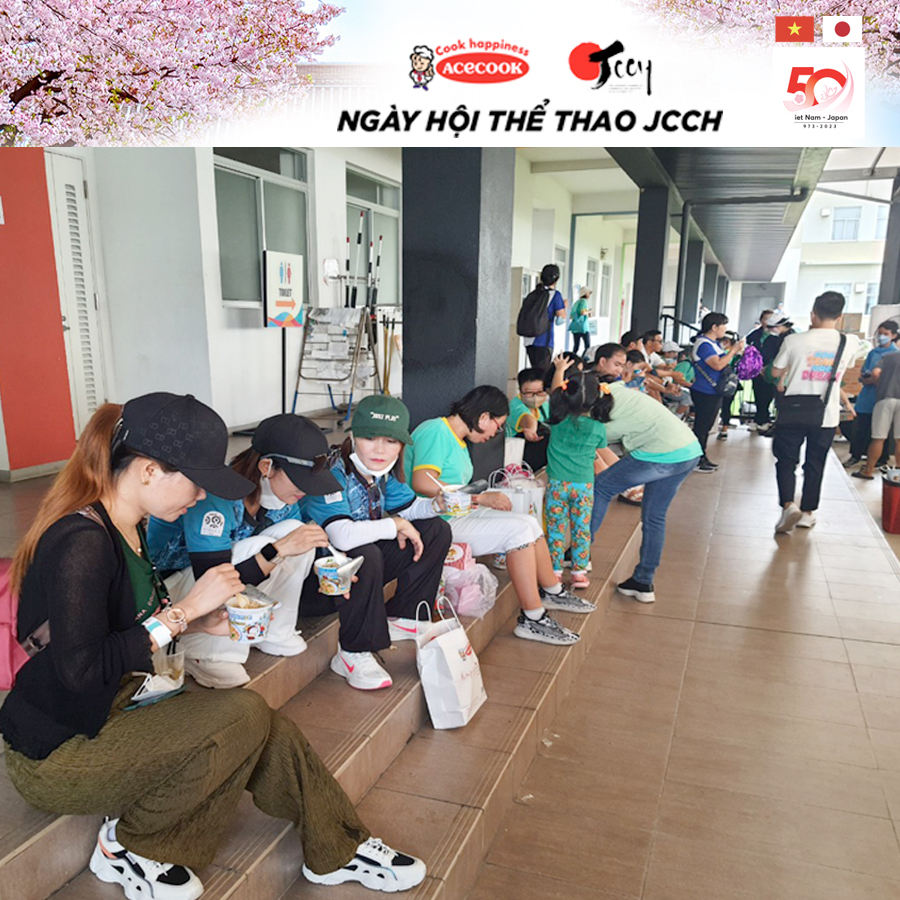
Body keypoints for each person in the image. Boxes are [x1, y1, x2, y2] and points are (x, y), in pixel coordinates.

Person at [0, 394, 426, 900]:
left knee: (260, 724)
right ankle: (131, 844)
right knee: (242, 715)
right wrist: (183, 611)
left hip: (120, 704)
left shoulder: (128, 526)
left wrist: (198, 623)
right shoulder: (82, 541)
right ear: (149, 471)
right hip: (58, 750)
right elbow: (80, 670)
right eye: (196, 480)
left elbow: (121, 632)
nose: (202, 495)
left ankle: (339, 846)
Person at [147, 414, 418, 692]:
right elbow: (211, 578)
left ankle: (275, 632)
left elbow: (293, 546)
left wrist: (323, 566)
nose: (306, 490)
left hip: (219, 584)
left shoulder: (283, 500)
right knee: (266, 545)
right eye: (300, 480)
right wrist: (279, 550)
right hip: (169, 596)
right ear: (266, 467)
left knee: (296, 531)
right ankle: (205, 651)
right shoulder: (218, 496)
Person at [406, 385, 593, 646]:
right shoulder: (436, 431)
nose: (495, 432)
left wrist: (480, 497)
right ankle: (533, 618)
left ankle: (552, 591)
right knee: (518, 531)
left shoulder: (455, 438)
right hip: (434, 523)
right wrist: (480, 498)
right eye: (498, 425)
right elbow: (422, 483)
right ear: (484, 417)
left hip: (453, 515)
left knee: (529, 523)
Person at [298, 396, 453, 686]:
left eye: (391, 441)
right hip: (318, 587)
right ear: (353, 437)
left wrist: (437, 505)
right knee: (364, 552)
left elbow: (409, 508)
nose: (380, 449)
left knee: (435, 530)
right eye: (370, 438)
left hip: (356, 579)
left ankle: (407, 617)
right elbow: (341, 534)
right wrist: (395, 525)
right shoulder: (331, 473)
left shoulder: (379, 473)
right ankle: (352, 652)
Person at [589, 377, 702, 603]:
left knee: (602, 487)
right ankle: (643, 581)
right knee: (654, 516)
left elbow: (595, 438)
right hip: (689, 451)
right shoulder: (616, 390)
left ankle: (579, 554)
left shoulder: (608, 418)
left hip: (661, 453)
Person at [771, 291, 861, 533]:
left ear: (813, 314)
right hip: (826, 414)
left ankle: (788, 505)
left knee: (786, 460)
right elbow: (849, 365)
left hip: (793, 411)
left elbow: (776, 372)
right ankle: (807, 513)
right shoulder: (849, 342)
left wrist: (793, 368)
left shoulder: (793, 340)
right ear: (840, 317)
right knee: (815, 463)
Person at [544, 372, 613, 589]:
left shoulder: (556, 421)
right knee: (582, 529)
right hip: (583, 485)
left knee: (555, 528)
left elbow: (553, 396)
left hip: (557, 484)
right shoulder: (598, 428)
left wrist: (559, 370)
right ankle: (579, 573)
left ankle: (554, 571)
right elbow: (600, 451)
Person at [690, 312, 745, 472]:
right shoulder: (704, 344)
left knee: (706, 426)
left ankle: (701, 456)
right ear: (714, 327)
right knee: (702, 427)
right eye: (723, 326)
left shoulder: (712, 343)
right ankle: (696, 460)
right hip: (705, 390)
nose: (725, 329)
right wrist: (733, 351)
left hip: (712, 391)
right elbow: (718, 365)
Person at [846, 319, 900, 468]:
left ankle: (879, 461)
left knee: (880, 434)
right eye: (879, 333)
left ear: (894, 336)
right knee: (860, 428)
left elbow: (880, 377)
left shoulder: (894, 355)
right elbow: (865, 372)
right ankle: (855, 455)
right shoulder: (873, 353)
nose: (881, 337)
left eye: (885, 334)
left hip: (883, 397)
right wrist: (865, 378)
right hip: (867, 398)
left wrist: (874, 379)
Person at [853, 349, 900, 480]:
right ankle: (898, 473)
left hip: (885, 398)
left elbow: (875, 373)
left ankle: (868, 471)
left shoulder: (888, 357)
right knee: (899, 440)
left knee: (878, 438)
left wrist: (879, 384)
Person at [756, 313, 795, 437]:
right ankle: (778, 426)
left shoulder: (790, 339)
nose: (771, 330)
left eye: (773, 327)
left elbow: (789, 361)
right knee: (779, 404)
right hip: (776, 375)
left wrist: (782, 379)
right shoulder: (779, 338)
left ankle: (782, 429)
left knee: (783, 405)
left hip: (785, 378)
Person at [506, 367, 551, 471]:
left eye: (540, 392)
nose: (535, 397)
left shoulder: (545, 406)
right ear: (520, 391)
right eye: (529, 393)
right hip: (516, 462)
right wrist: (531, 430)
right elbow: (527, 419)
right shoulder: (514, 406)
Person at [524, 264, 566, 372]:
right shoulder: (555, 295)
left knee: (534, 370)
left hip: (529, 339)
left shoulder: (533, 294)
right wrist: (564, 306)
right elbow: (560, 319)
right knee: (543, 373)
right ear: (556, 279)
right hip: (544, 340)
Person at [746, 309, 775, 431]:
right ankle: (760, 420)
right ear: (761, 320)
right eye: (765, 319)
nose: (768, 322)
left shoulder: (777, 335)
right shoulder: (755, 334)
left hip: (771, 369)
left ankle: (764, 420)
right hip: (756, 370)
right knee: (758, 394)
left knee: (768, 395)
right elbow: (747, 345)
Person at [569, 287, 592, 357]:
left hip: (575, 327)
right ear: (586, 294)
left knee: (576, 346)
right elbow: (583, 312)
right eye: (589, 293)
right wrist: (589, 311)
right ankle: (583, 359)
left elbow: (571, 315)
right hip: (583, 327)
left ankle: (572, 358)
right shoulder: (584, 301)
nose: (589, 295)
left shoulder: (576, 302)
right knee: (587, 346)